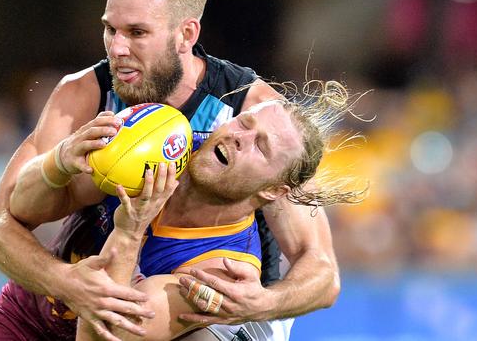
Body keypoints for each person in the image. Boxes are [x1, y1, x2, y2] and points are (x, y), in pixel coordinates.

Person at [0, 0, 340, 340]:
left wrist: (263, 303)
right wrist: (66, 281)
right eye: (110, 30)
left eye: (136, 33)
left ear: (186, 34)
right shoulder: (84, 94)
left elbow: (322, 275)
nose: (117, 48)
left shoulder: (253, 116)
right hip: (76, 292)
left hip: (215, 304)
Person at [73, 87, 364, 340]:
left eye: (260, 147)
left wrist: (128, 232)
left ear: (274, 192)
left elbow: (105, 333)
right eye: (243, 123)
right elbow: (30, 206)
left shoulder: (223, 272)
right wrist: (60, 160)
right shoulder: (163, 143)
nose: (240, 137)